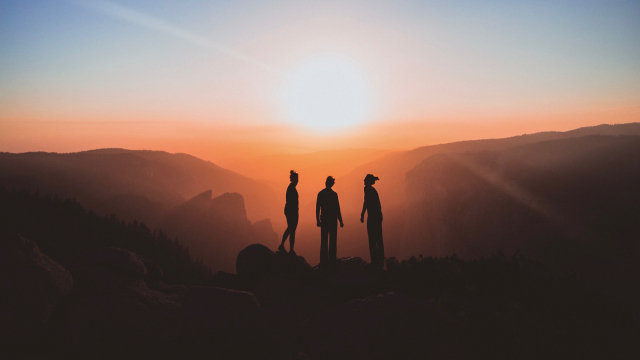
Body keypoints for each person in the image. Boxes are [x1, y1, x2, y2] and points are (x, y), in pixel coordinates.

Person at [316, 176, 343, 265]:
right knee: (333, 241)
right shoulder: (334, 195)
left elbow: (317, 208)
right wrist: (341, 220)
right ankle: (332, 260)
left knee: (324, 241)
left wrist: (318, 220)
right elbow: (337, 209)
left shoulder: (321, 194)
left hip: (324, 220)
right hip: (332, 220)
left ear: (326, 183)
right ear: (332, 184)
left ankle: (323, 261)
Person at [360, 174, 384, 270]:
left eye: (365, 180)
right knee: (378, 238)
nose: (364, 182)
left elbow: (366, 202)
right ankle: (380, 261)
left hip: (373, 217)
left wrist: (362, 214)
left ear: (368, 181)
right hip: (377, 216)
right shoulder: (373, 190)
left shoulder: (367, 189)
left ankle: (375, 263)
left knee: (372, 239)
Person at [279, 170, 299, 253]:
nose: (297, 180)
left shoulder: (291, 188)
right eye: (296, 179)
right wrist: (294, 212)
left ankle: (285, 246)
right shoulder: (291, 188)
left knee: (291, 229)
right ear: (292, 179)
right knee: (292, 229)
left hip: (290, 211)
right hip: (291, 211)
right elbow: (290, 201)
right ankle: (289, 248)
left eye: (297, 179)